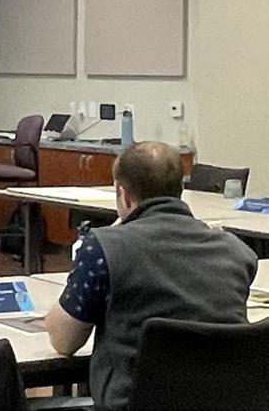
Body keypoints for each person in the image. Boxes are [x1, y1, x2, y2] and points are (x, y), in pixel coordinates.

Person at [44, 142, 257, 410]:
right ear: (180, 189)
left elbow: (64, 341)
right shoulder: (237, 253)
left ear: (123, 195)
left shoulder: (105, 248)